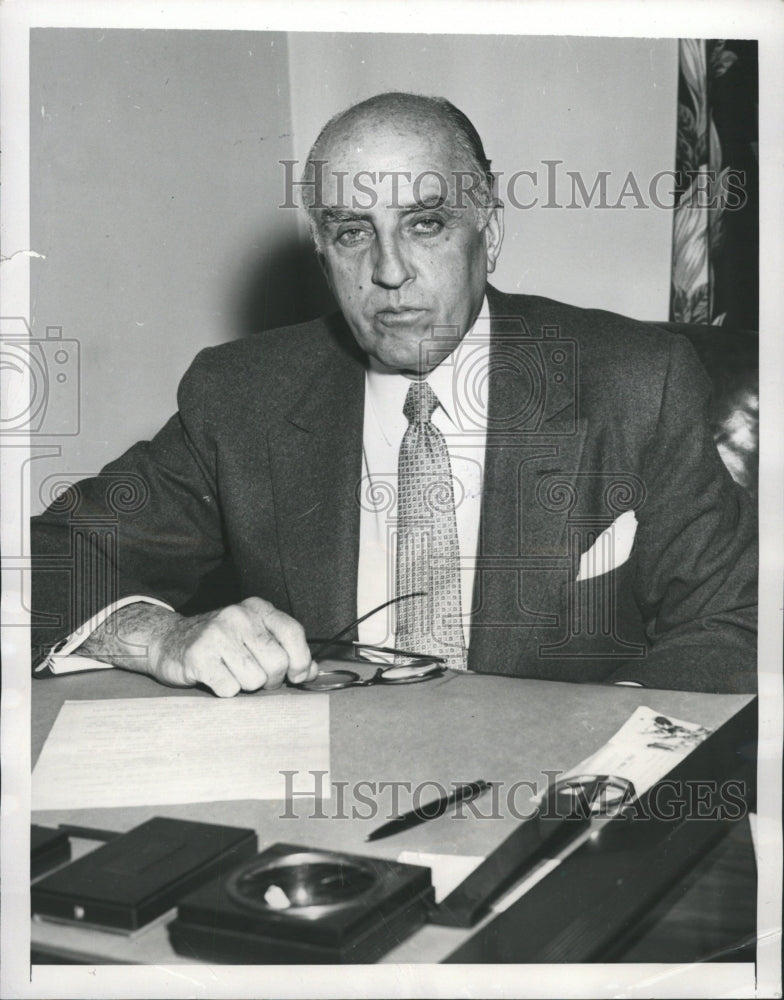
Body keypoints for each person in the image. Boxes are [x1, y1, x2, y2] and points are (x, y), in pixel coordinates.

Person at [31, 92, 757, 696]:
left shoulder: (636, 382)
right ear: (323, 255)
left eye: (425, 223)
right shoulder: (242, 396)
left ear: (490, 232)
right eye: (353, 233)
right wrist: (159, 635)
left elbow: (733, 622)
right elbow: (47, 559)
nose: (388, 271)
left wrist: (600, 758)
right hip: (315, 796)